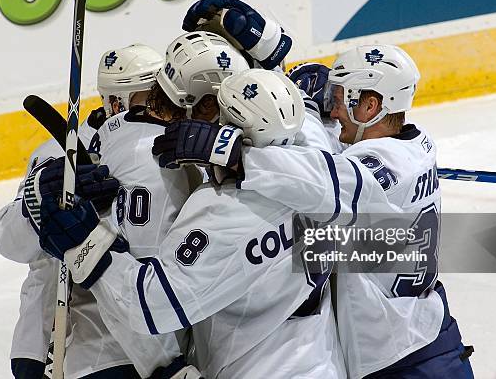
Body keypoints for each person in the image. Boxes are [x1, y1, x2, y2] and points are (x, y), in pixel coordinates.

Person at [35, 68, 345, 378]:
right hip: (322, 363)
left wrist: (86, 244)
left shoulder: (222, 211)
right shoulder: (324, 179)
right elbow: (384, 241)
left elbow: (152, 305)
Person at [189, 43, 475, 378]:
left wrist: (234, 153)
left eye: (339, 100)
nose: (334, 111)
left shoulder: (374, 172)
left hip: (402, 358)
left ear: (370, 105)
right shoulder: (416, 144)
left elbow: (322, 178)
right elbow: (333, 163)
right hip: (426, 337)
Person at [0, 43, 164, 379]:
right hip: (97, 349)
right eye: (150, 98)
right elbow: (17, 247)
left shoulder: (173, 143)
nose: (164, 107)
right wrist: (33, 349)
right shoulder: (59, 154)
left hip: (170, 337)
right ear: (116, 102)